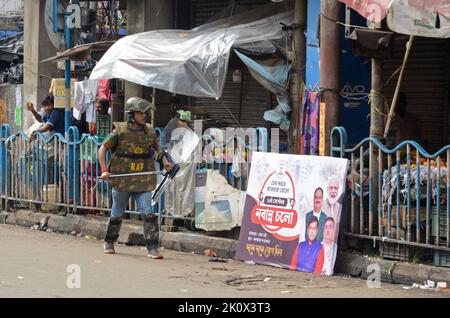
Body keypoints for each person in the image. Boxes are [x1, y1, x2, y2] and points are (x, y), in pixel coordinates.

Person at [98, 96, 173, 259]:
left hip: (143, 180)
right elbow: (102, 149)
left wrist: (166, 162)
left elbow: (157, 151)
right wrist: (104, 170)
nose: (144, 115)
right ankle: (109, 242)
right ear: (131, 114)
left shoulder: (150, 132)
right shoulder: (120, 131)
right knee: (117, 213)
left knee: (149, 214)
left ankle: (152, 248)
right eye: (140, 112)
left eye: (145, 112)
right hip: (123, 179)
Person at [322, 175, 342, 241]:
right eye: (331, 188)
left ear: (338, 190)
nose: (333, 191)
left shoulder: (340, 208)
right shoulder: (321, 206)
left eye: (335, 188)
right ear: (327, 189)